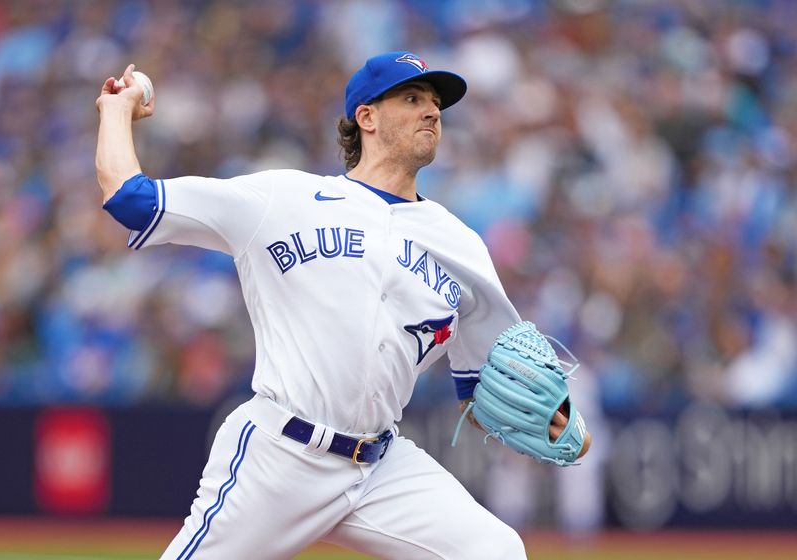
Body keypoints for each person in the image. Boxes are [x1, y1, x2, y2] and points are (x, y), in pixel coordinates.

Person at [95, 51, 588, 559]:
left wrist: (556, 413)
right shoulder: (282, 199)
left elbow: (487, 385)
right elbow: (131, 201)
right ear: (366, 117)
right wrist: (116, 110)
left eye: (436, 103)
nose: (432, 112)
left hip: (380, 467)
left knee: (495, 551)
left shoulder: (460, 244)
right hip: (281, 456)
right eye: (413, 98)